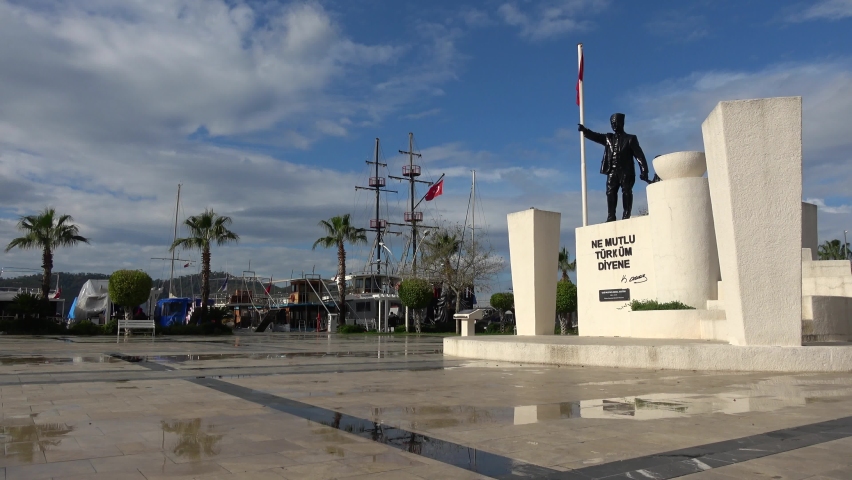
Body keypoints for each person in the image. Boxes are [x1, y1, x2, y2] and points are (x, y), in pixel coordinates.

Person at [578, 113, 649, 221]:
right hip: (612, 170)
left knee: (626, 191)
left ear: (622, 123)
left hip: (626, 171)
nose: (614, 125)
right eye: (612, 123)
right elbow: (596, 136)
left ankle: (626, 214)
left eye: (616, 123)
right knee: (610, 192)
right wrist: (585, 131)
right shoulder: (608, 138)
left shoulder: (630, 138)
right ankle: (611, 216)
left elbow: (639, 156)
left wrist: (644, 170)